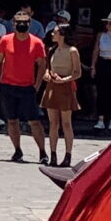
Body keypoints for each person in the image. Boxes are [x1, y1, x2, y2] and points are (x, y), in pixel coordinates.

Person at [0, 8, 49, 163]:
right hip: (8, 85)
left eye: (24, 22)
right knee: (12, 120)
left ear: (29, 23)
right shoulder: (5, 41)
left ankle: (42, 152)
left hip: (27, 87)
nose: (21, 25)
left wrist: (37, 85)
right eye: (19, 22)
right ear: (13, 24)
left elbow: (42, 65)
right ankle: (17, 150)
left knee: (34, 121)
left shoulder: (37, 43)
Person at [43, 23, 83, 167]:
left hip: (65, 87)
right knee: (53, 123)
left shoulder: (72, 51)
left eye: (55, 32)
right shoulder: (52, 50)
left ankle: (68, 155)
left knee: (66, 123)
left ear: (63, 34)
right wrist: (47, 75)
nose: (52, 35)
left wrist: (64, 80)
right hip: (52, 86)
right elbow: (47, 68)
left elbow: (77, 72)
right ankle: (53, 154)